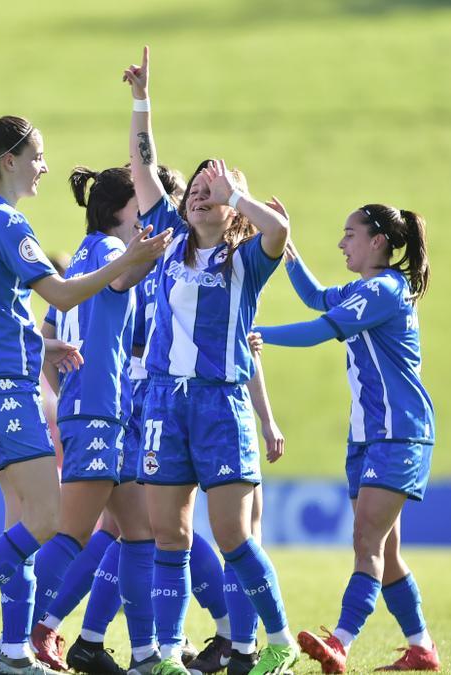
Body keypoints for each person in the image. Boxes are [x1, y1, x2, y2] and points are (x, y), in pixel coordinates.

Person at [0, 113, 172, 675]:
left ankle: (14, 650)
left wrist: (39, 347)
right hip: (1, 383)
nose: (44, 167)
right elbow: (58, 292)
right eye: (36, 156)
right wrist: (128, 262)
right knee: (47, 519)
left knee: (27, 520)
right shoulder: (7, 221)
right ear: (8, 161)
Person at [122, 47, 298, 675]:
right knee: (169, 534)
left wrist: (240, 196)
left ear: (229, 207)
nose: (198, 196)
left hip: (221, 404)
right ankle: (168, 656)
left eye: (209, 191)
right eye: (194, 189)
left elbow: (278, 232)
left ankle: (275, 641)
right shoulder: (167, 242)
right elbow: (144, 165)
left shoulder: (245, 260)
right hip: (166, 403)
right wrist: (142, 100)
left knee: (233, 537)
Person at [253, 204, 439, 673]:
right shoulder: (368, 289)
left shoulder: (382, 290)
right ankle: (421, 648)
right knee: (385, 551)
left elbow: (320, 329)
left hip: (399, 433)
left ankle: (340, 641)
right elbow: (317, 298)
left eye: (349, 234)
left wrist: (253, 335)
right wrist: (287, 247)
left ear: (378, 241)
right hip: (371, 436)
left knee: (366, 539)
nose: (341, 244)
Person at [27, 165, 161, 673]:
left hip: (105, 410)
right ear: (117, 211)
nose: (144, 212)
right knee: (72, 534)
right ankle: (23, 637)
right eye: (139, 203)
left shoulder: (85, 255)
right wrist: (154, 254)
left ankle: (145, 653)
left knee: (141, 530)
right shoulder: (108, 252)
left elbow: (49, 338)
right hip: (101, 413)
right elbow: (125, 275)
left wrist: (73, 393)